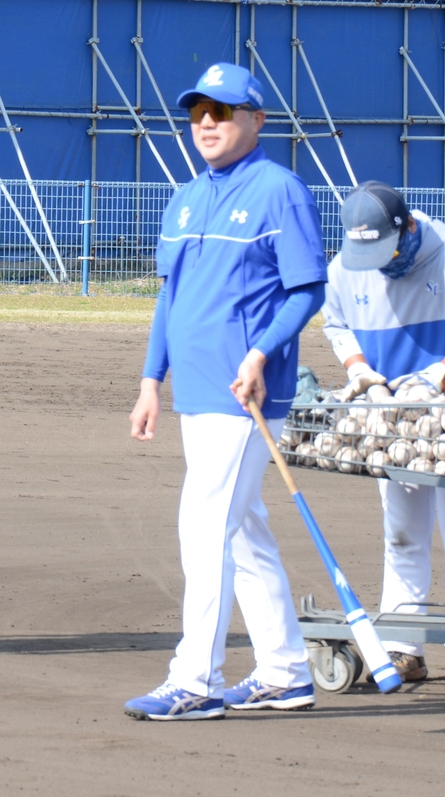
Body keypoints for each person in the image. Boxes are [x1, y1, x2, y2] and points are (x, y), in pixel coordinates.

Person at [125, 63, 328, 720]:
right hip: (196, 393)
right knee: (242, 531)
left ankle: (196, 679)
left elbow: (307, 288)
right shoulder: (184, 197)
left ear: (255, 119)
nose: (207, 123)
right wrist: (151, 381)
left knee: (204, 524)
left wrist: (261, 350)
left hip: (245, 394)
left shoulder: (279, 190)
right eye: (198, 112)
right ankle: (286, 669)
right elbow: (171, 297)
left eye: (222, 111)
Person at [322, 181, 445, 688]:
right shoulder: (345, 266)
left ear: (406, 227)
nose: (380, 263)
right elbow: (335, 323)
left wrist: (436, 378)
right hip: (394, 423)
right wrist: (358, 368)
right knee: (401, 534)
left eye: (386, 250)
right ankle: (405, 648)